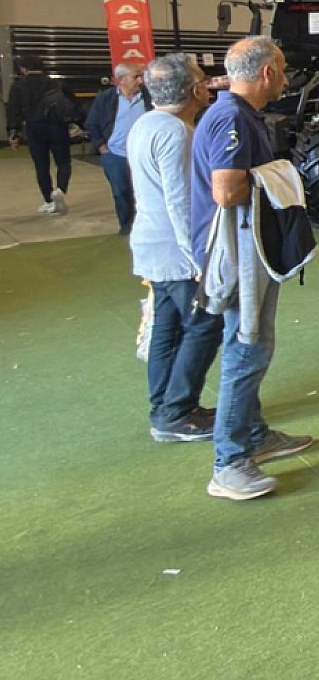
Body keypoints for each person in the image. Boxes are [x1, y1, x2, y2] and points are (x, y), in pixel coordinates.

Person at [191, 37, 313, 500]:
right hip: (238, 252)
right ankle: (229, 462)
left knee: (249, 342)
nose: (284, 79)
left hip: (250, 247)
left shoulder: (236, 115)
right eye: (281, 70)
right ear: (265, 74)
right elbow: (226, 192)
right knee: (248, 347)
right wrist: (277, 177)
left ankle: (255, 434)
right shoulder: (231, 120)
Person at [129, 54, 220, 442]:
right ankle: (179, 412)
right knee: (203, 324)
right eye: (202, 80)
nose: (207, 85)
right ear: (193, 90)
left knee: (167, 328)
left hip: (151, 244)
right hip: (175, 250)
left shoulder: (145, 124)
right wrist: (196, 255)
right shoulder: (177, 133)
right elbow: (181, 200)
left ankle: (164, 407)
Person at [84, 60, 151, 234]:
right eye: (136, 76)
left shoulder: (150, 97)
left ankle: (146, 226)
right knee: (121, 191)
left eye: (142, 76)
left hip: (144, 155)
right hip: (115, 155)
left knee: (145, 192)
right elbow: (92, 123)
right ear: (121, 80)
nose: (141, 80)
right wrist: (101, 147)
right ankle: (127, 226)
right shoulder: (105, 99)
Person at [6, 56, 75, 215]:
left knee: (41, 166)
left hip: (34, 129)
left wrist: (13, 132)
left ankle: (48, 200)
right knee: (64, 162)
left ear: (24, 68)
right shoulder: (57, 83)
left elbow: (14, 111)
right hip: (58, 127)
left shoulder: (18, 86)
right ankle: (60, 189)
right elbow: (72, 104)